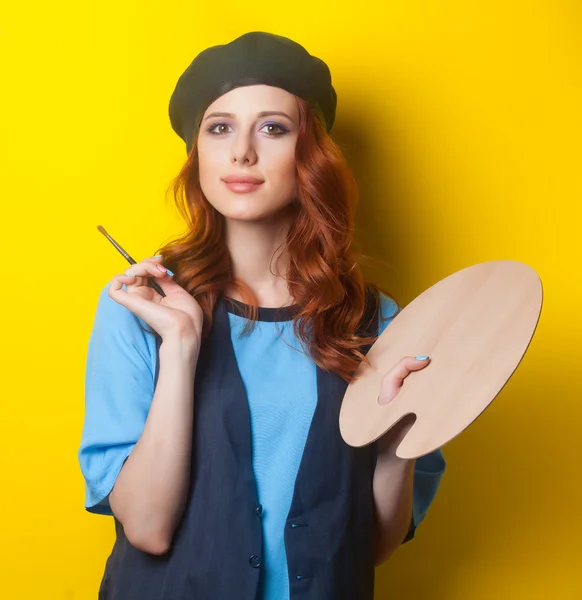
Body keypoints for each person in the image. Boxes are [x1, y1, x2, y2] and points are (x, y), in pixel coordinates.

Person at [78, 31, 446, 600]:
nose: (241, 152)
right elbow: (146, 529)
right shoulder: (141, 306)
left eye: (273, 128)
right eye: (219, 127)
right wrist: (179, 348)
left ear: (311, 154)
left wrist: (399, 438)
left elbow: (367, 548)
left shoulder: (378, 321)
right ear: (196, 151)